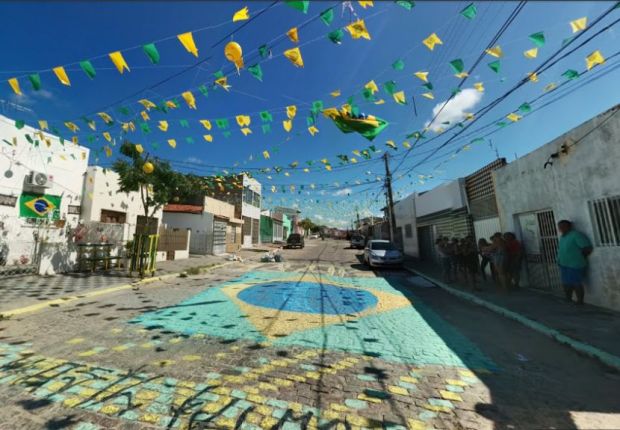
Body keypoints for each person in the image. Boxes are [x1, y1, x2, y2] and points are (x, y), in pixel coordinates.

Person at [557, 220, 592, 305]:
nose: (561, 228)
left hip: (575, 264)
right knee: (566, 283)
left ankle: (580, 301)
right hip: (564, 264)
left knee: (576, 283)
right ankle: (568, 299)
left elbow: (587, 248)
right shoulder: (563, 237)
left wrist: (579, 257)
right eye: (560, 227)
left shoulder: (576, 235)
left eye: (563, 226)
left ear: (569, 227)